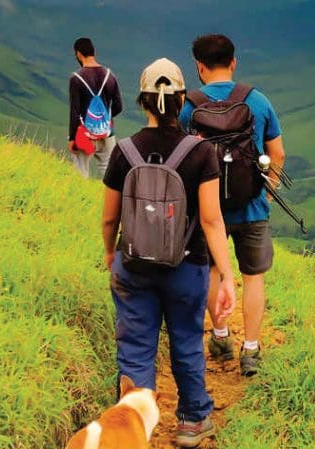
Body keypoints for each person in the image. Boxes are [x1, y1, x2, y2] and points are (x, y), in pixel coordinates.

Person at [101, 58, 236, 448]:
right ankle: (193, 421)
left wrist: (112, 254)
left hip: (133, 263)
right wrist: (226, 275)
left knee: (136, 346)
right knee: (186, 342)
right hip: (187, 266)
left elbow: (110, 219)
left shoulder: (124, 152)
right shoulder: (200, 152)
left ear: (143, 101)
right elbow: (211, 221)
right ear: (181, 101)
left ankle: (130, 430)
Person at [180, 34, 285, 377]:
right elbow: (278, 153)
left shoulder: (188, 107)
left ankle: (221, 336)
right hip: (252, 207)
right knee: (253, 278)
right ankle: (251, 350)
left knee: (212, 271)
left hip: (208, 211)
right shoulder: (258, 101)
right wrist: (265, 192)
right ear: (234, 62)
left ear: (199, 66)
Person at [68, 37, 123, 178]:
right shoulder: (110, 75)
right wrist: (105, 119)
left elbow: (75, 112)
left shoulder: (76, 78)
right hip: (107, 132)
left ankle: (81, 199)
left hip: (84, 133)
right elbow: (118, 106)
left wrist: (72, 139)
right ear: (94, 52)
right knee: (108, 172)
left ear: (78, 54)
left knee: (81, 171)